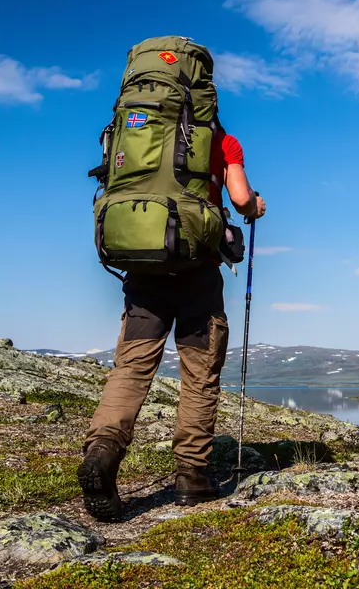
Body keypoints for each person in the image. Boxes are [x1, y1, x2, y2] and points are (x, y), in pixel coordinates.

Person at [77, 122, 266, 521]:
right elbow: (240, 197)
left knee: (131, 368)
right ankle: (191, 476)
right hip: (198, 272)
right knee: (199, 373)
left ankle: (102, 453)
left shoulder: (133, 129)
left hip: (143, 271)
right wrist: (255, 207)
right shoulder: (222, 141)